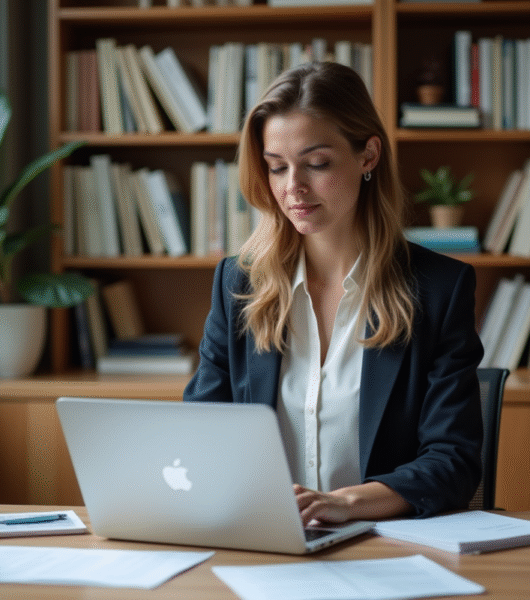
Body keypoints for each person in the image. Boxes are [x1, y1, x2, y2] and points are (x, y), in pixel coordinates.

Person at [183, 61, 484, 526]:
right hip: (261, 540)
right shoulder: (238, 285)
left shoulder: (438, 290)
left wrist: (345, 504)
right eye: (276, 167)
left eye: (317, 164)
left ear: (368, 156)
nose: (292, 188)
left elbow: (453, 461)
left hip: (383, 548)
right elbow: (199, 434)